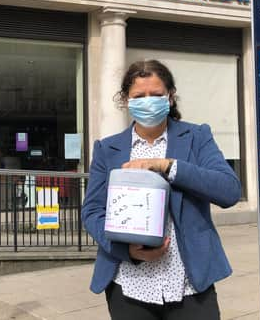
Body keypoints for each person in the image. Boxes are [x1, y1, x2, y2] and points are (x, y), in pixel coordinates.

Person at [81, 60, 241, 320]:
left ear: (170, 96)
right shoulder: (107, 149)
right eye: (138, 96)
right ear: (125, 99)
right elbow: (92, 211)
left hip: (190, 284)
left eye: (156, 95)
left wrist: (168, 166)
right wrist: (127, 251)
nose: (147, 102)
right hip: (129, 285)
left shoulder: (197, 137)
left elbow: (229, 190)